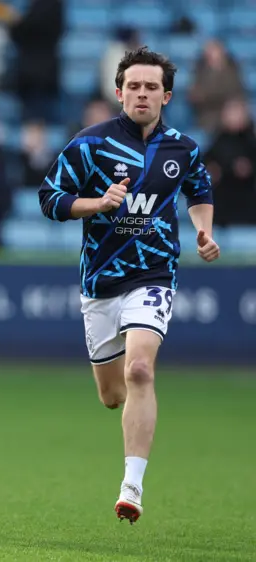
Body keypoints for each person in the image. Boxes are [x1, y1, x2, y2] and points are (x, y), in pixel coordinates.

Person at [38, 47, 220, 524]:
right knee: (113, 394)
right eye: (133, 86)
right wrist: (96, 204)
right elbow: (49, 199)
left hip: (155, 274)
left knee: (141, 370)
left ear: (167, 96)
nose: (142, 94)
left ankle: (132, 486)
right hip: (100, 282)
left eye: (151, 87)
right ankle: (123, 414)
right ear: (119, 93)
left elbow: (199, 189)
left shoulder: (183, 148)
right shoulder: (89, 145)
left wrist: (204, 230)